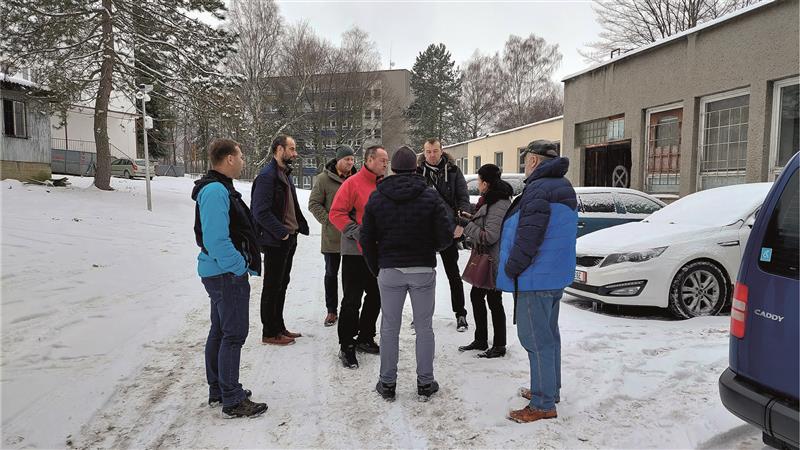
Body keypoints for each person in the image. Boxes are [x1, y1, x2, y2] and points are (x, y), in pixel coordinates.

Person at [360, 146, 454, 401]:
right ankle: (425, 382)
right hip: (423, 269)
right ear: (416, 167)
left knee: (389, 327)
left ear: (393, 168)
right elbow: (446, 235)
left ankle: (387, 382)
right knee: (424, 328)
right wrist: (429, 249)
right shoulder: (430, 196)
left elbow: (366, 237)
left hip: (390, 269)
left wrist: (376, 266)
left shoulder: (378, 197)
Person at [496, 140, 577, 423]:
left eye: (525, 160)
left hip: (535, 277)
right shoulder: (561, 185)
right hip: (553, 275)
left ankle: (543, 405)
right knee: (549, 336)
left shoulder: (539, 189)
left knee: (536, 339)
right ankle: (548, 390)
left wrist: (513, 266)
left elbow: (530, 235)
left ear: (533, 161)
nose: (524, 165)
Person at [191, 138, 268, 418]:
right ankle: (232, 399)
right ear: (230, 159)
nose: (244, 160)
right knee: (233, 334)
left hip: (220, 271)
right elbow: (215, 238)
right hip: (224, 273)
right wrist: (238, 265)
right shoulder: (214, 191)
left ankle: (220, 389)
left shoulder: (219, 188)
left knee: (221, 331)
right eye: (241, 155)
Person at [329, 145, 388, 368]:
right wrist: (357, 232)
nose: (385, 164)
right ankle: (346, 344)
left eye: (387, 161)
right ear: (370, 160)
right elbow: (336, 213)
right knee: (352, 300)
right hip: (355, 252)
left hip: (378, 252)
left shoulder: (385, 185)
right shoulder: (351, 183)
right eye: (382, 160)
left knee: (376, 297)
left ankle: (365, 337)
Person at [251, 135, 309, 346]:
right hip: (277, 240)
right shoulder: (268, 176)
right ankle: (269, 332)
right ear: (278, 149)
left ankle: (279, 326)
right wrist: (282, 233)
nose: (295, 153)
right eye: (291, 149)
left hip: (288, 239)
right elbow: (260, 212)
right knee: (272, 285)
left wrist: (294, 231)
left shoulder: (284, 174)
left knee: (282, 284)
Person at [455, 164, 513, 358]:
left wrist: (467, 225)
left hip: (493, 260)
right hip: (487, 258)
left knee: (494, 300)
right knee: (478, 296)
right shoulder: (491, 199)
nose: (478, 185)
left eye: (479, 181)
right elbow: (486, 222)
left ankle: (499, 344)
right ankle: (481, 339)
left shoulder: (499, 203)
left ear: (486, 183)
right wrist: (471, 217)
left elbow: (490, 236)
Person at [417, 138, 471, 332]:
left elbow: (464, 200)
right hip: (424, 233)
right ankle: (421, 315)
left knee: (453, 274)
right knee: (422, 276)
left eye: (435, 151)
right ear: (424, 152)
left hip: (449, 230)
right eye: (428, 151)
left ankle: (461, 314)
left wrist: (461, 224)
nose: (431, 155)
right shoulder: (417, 173)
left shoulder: (454, 172)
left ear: (442, 151)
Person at [308, 145, 357, 327]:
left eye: (352, 159)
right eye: (347, 159)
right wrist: (329, 221)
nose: (350, 163)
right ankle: (331, 310)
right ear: (338, 160)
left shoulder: (357, 179)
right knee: (331, 274)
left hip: (353, 238)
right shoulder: (323, 180)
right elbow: (314, 204)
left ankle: (349, 309)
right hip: (332, 237)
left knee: (351, 276)